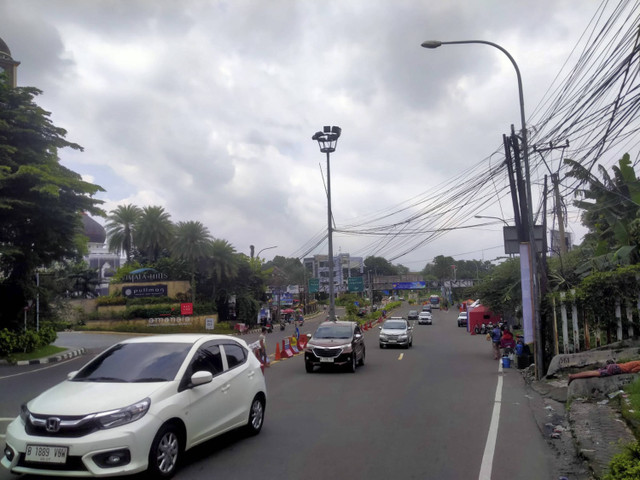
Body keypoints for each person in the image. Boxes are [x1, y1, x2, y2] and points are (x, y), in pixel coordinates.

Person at [568, 360, 640, 384]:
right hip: (616, 369)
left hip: (614, 366)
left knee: (594, 372)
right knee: (594, 373)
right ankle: (573, 376)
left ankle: (573, 375)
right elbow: (633, 371)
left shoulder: (638, 362)